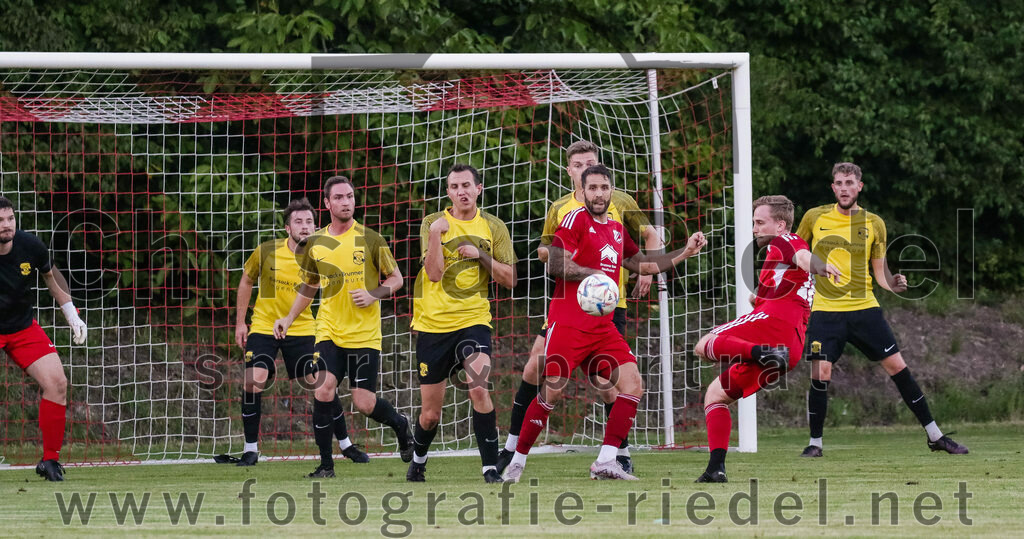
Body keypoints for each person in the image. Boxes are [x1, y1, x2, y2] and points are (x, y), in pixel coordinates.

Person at [502, 164, 706, 482]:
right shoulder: (573, 221)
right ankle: (516, 462)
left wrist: (684, 253)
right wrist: (591, 274)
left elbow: (644, 264)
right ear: (582, 192)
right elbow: (555, 263)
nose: (599, 193)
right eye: (592, 188)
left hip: (602, 328)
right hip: (568, 323)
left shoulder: (615, 228)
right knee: (552, 392)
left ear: (612, 191)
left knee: (633, 385)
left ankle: (607, 460)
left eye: (604, 187)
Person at [797, 162, 967, 457]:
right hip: (824, 311)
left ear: (859, 186)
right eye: (839, 183)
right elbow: (797, 253)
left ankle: (935, 436)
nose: (844, 188)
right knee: (820, 372)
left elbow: (880, 272)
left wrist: (894, 283)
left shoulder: (874, 223)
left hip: (865, 310)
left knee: (898, 369)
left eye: (850, 183)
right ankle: (815, 444)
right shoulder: (814, 217)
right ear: (832, 187)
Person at [692, 195, 841, 482]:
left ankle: (758, 350)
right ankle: (715, 469)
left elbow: (803, 257)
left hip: (775, 328)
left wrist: (822, 266)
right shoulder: (776, 258)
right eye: (753, 223)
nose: (754, 229)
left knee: (704, 345)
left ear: (780, 225)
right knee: (716, 396)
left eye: (760, 223)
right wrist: (757, 296)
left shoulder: (785, 241)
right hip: (792, 348)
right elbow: (778, 285)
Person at [275, 177, 411, 479]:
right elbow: (309, 286)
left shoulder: (371, 239)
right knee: (323, 389)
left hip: (364, 335)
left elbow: (397, 279)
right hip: (329, 331)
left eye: (350, 196)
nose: (346, 202)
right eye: (339, 197)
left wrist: (373, 294)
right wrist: (288, 318)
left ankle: (401, 424)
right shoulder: (316, 243)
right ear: (327, 204)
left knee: (363, 402)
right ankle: (326, 465)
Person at [407, 163, 517, 484]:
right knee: (430, 415)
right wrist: (435, 236)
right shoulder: (433, 223)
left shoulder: (493, 227)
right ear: (448, 192)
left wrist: (480, 256)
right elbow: (433, 274)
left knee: (479, 388)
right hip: (433, 326)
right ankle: (418, 460)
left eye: (467, 185)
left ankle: (489, 468)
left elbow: (510, 279)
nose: (461, 192)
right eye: (455, 187)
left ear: (478, 189)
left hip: (474, 322)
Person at [216, 198, 323, 467]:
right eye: (298, 221)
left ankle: (344, 444)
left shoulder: (322, 255)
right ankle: (251, 449)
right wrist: (241, 322)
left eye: (309, 221)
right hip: (264, 325)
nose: (305, 226)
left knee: (319, 383)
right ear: (287, 228)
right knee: (254, 379)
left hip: (301, 327)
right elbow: (246, 280)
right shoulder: (266, 251)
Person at [0, 195, 87, 481]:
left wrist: (72, 315)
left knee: (57, 383)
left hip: (22, 327)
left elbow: (51, 278)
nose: (6, 225)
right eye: (0, 221)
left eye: (10, 219)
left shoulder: (31, 246)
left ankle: (50, 461)